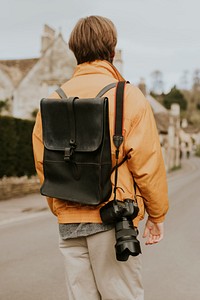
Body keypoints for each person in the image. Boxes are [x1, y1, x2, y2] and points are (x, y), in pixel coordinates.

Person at [32, 15, 169, 300]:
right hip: (113, 218)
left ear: (74, 50)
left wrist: (61, 208)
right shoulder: (128, 96)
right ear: (112, 49)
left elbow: (44, 163)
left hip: (69, 222)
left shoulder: (53, 101)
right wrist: (157, 214)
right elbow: (147, 164)